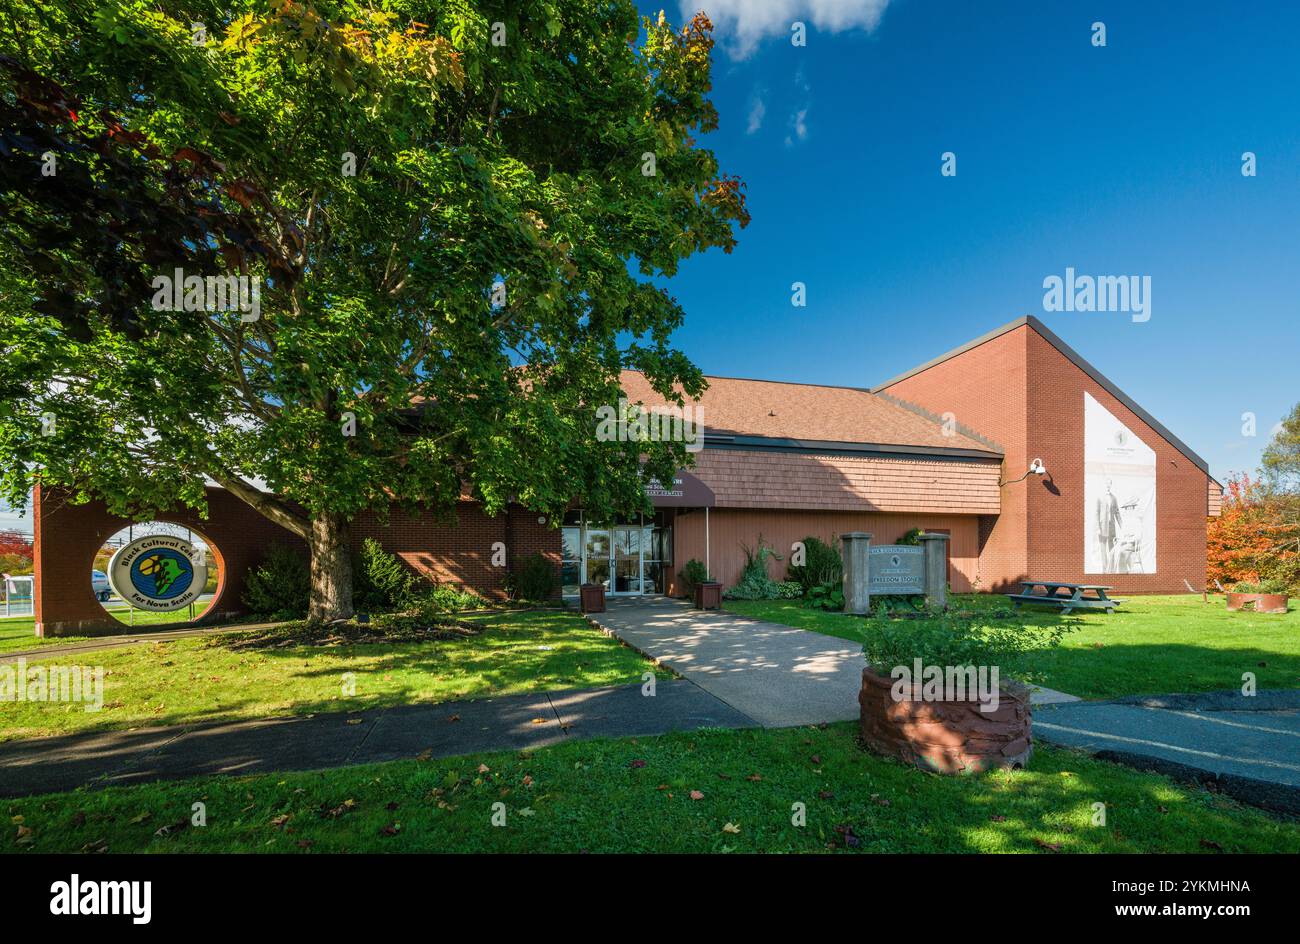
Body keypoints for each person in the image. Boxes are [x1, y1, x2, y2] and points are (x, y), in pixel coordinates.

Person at [1094, 478, 1121, 571]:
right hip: (1102, 527)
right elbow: (1097, 512)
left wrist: (1122, 526)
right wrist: (1098, 527)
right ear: (1104, 485)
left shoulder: (1114, 498)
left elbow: (1117, 512)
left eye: (1109, 484)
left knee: (1112, 549)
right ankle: (1105, 569)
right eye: (1106, 484)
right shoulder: (1099, 497)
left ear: (1111, 485)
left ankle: (1112, 569)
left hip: (1111, 527)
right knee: (1103, 549)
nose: (1108, 486)